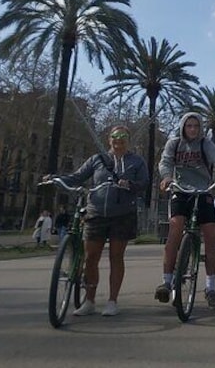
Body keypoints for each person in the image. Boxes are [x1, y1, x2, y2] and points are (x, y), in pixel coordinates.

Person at [51, 125, 148, 316]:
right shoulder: (97, 160)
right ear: (108, 139)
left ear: (129, 140)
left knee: (116, 256)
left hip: (123, 214)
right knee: (90, 257)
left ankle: (112, 301)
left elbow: (144, 184)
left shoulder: (136, 162)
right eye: (114, 136)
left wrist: (129, 184)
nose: (118, 139)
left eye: (123, 136)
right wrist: (56, 179)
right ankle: (89, 301)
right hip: (95, 212)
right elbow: (77, 177)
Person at [156, 112, 215, 309]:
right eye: (189, 126)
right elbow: (165, 162)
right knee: (175, 228)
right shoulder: (174, 144)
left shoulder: (205, 144)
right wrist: (167, 177)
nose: (192, 129)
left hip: (203, 191)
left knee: (210, 235)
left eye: (196, 126)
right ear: (183, 127)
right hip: (180, 190)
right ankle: (166, 282)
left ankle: (210, 288)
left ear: (200, 128)